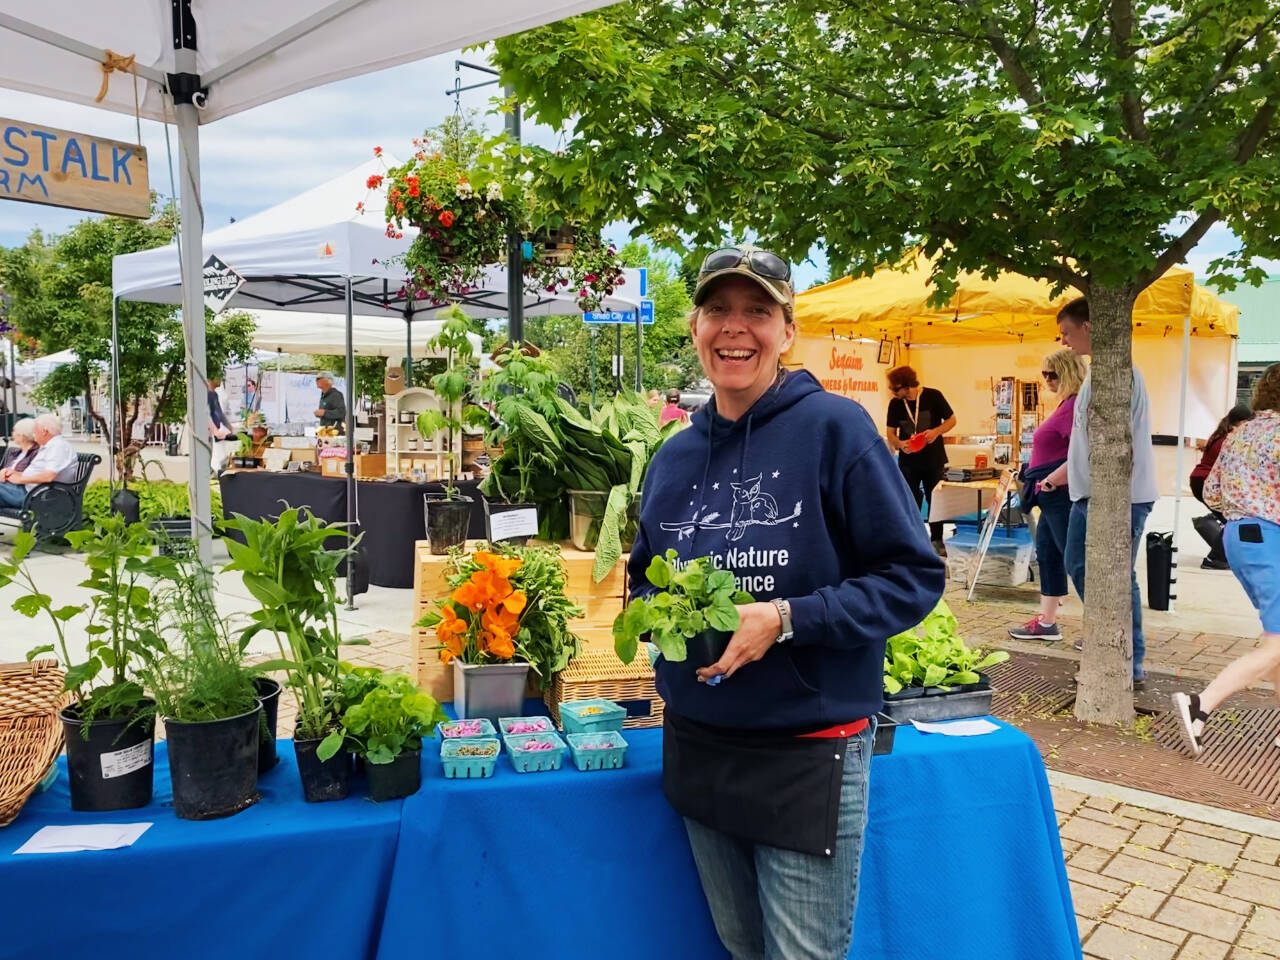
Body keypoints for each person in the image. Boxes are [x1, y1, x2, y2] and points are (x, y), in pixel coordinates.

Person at [630, 244, 945, 960]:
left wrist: (787, 617)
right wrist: (662, 617)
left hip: (807, 752)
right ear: (695, 327)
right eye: (718, 310)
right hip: (702, 741)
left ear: (787, 330)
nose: (735, 328)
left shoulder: (835, 431)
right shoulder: (674, 456)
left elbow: (912, 576)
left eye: (757, 312)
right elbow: (644, 580)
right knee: (741, 948)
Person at [1047, 296, 1159, 687]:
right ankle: (1117, 650)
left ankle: (1127, 658)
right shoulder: (1101, 373)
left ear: (1089, 327)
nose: (1064, 342)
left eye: (1067, 333)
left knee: (1108, 575)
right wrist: (1063, 476)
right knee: (1088, 568)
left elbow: (1111, 441)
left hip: (1114, 496)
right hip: (1091, 494)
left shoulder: (1117, 372)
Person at [1172, 364, 1280, 756]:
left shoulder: (1241, 432)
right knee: (1277, 642)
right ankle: (1200, 705)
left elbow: (1212, 490)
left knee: (1277, 637)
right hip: (1271, 538)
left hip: (1236, 537)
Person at [1008, 349, 1090, 641]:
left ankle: (1096, 630)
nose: (1047, 380)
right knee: (1049, 555)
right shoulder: (1066, 405)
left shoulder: (1075, 406)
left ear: (1068, 373)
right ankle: (1047, 622)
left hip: (1060, 495)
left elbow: (1083, 451)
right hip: (1050, 494)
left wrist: (1052, 481)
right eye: (1044, 374)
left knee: (1075, 560)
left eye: (1052, 374)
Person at [884, 365, 956, 551]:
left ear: (907, 385)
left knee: (935, 499)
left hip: (933, 459)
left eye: (895, 388)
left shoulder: (933, 396)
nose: (892, 392)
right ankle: (912, 539)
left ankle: (937, 539)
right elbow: (890, 434)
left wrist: (937, 431)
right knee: (909, 499)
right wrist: (900, 444)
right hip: (908, 462)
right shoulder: (895, 404)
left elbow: (952, 420)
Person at [1190, 405, 1253, 570]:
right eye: (1247, 424)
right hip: (1206, 482)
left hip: (1201, 480)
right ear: (1238, 423)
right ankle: (1215, 558)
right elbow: (1230, 467)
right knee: (1233, 519)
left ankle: (1221, 554)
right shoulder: (1228, 439)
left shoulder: (1222, 435)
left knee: (1230, 519)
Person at [0, 414, 78, 509]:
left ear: (44, 431)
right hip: (30, 491)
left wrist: (20, 479)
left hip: (35, 496)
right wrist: (17, 474)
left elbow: (49, 477)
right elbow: (40, 473)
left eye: (35, 431)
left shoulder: (58, 446)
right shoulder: (50, 446)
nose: (33, 434)